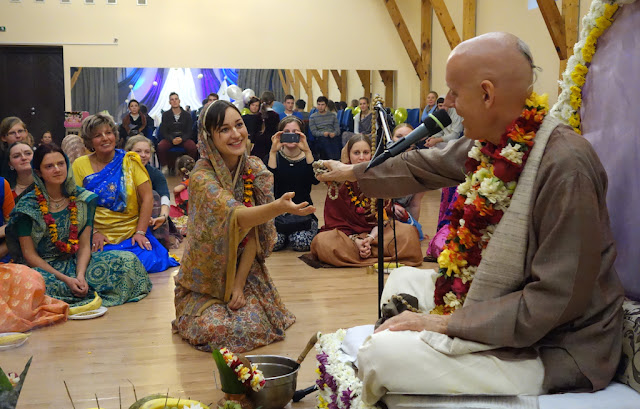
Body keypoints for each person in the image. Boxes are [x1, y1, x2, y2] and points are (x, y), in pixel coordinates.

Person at [317, 32, 624, 403]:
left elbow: (556, 301)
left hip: (557, 345)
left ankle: (418, 348)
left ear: (487, 94)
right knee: (401, 278)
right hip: (504, 306)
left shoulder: (565, 166)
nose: (447, 105)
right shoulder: (495, 142)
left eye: (453, 93)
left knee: (381, 356)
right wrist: (351, 172)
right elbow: (424, 164)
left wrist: (444, 323)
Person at [172, 100, 314, 352]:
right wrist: (279, 207)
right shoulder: (202, 177)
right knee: (216, 329)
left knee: (256, 324)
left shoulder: (254, 169)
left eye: (239, 125)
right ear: (208, 137)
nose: (236, 134)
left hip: (245, 271)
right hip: (206, 279)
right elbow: (237, 217)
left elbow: (254, 233)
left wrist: (238, 284)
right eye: (224, 129)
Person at [7, 144, 152, 307]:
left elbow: (84, 247)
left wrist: (80, 275)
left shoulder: (82, 199)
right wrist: (66, 279)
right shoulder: (27, 206)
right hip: (42, 268)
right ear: (39, 172)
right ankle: (78, 291)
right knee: (29, 283)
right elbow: (29, 255)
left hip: (74, 262)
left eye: (61, 164)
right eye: (49, 166)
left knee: (127, 260)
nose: (57, 169)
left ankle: (80, 287)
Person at [72, 113, 179, 273]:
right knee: (96, 265)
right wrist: (93, 233)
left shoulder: (130, 161)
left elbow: (148, 197)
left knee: (149, 261)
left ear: (115, 136)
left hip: (131, 233)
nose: (105, 138)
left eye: (108, 133)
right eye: (97, 135)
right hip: (98, 234)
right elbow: (76, 203)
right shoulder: (80, 165)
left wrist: (141, 232)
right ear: (89, 141)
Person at [310, 134, 423, 267]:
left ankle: (360, 253)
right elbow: (334, 223)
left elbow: (383, 219)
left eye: (366, 152)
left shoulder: (379, 178)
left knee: (408, 233)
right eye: (356, 153)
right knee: (322, 241)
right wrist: (356, 241)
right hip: (347, 239)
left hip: (376, 236)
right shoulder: (338, 182)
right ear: (348, 155)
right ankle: (373, 254)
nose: (362, 157)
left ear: (372, 154)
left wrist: (369, 238)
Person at [267, 116, 319, 251]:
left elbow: (315, 180)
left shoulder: (310, 157)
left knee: (300, 243)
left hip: (303, 213)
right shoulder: (272, 157)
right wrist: (273, 152)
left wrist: (307, 151)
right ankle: (285, 234)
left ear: (302, 134)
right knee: (274, 243)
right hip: (278, 214)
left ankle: (292, 234)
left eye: (295, 132)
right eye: (286, 132)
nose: (291, 135)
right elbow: (268, 185)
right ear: (280, 135)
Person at [126, 135, 182, 250]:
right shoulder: (120, 171)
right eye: (138, 151)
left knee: (154, 195)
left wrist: (162, 216)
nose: (143, 155)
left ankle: (158, 245)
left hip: (151, 216)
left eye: (147, 152)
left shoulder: (155, 174)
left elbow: (165, 198)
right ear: (128, 152)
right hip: (125, 215)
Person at [389, 124, 426, 240]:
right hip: (381, 213)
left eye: (409, 137)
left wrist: (414, 228)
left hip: (402, 214)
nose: (403, 141)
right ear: (391, 139)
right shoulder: (383, 162)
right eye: (398, 136)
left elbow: (415, 204)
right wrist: (390, 206)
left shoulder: (421, 166)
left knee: (415, 235)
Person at [158, 92, 197, 174]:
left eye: (176, 99)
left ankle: (190, 167)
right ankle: (165, 166)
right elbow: (164, 131)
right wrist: (172, 139)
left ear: (179, 101)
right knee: (161, 146)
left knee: (192, 147)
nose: (174, 101)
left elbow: (189, 131)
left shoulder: (187, 115)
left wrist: (182, 139)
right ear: (169, 102)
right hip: (170, 138)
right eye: (172, 100)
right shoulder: (165, 115)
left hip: (184, 138)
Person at [249, 91, 280, 162]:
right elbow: (276, 131)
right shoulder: (275, 115)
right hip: (270, 144)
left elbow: (254, 131)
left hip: (258, 145)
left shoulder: (257, 115)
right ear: (272, 102)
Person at [309, 96, 341, 160]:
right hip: (321, 137)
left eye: (322, 105)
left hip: (332, 135)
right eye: (319, 104)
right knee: (324, 141)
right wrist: (323, 133)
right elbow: (314, 132)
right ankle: (333, 159)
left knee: (336, 140)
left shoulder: (332, 116)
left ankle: (337, 159)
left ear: (326, 105)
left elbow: (338, 130)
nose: (320, 107)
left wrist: (334, 133)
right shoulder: (313, 117)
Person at [0, 117, 27, 186]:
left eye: (20, 131)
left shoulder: (37, 155)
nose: (18, 136)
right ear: (3, 137)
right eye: (12, 133)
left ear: (26, 132)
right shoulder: (2, 160)